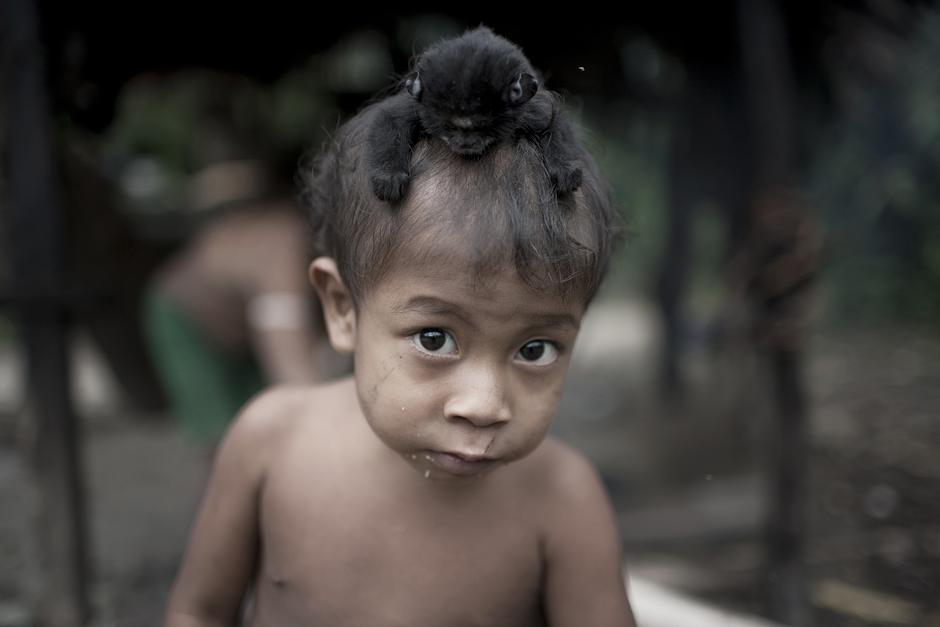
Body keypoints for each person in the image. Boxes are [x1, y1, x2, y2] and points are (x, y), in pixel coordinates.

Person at [164, 39, 637, 626]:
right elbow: (199, 613)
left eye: (534, 349)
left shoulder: (563, 500)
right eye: (434, 338)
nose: (484, 405)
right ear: (342, 309)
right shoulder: (270, 444)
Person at [143, 158, 340, 447]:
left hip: (244, 330)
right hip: (186, 319)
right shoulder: (282, 240)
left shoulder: (290, 235)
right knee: (225, 437)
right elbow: (293, 371)